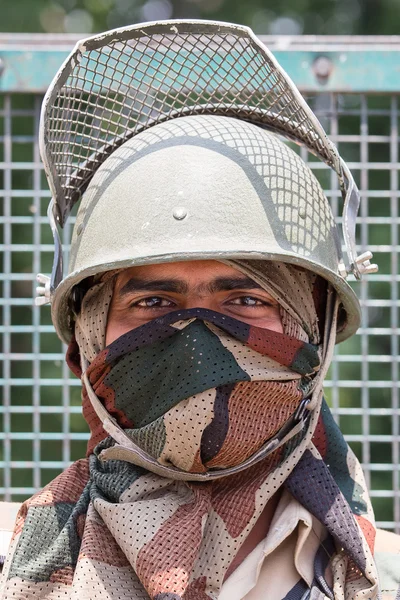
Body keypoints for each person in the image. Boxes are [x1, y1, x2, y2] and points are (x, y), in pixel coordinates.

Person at [1, 19, 399, 600]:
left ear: (318, 328)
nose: (198, 340)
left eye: (245, 300)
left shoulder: (381, 579)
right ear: (86, 342)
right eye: (153, 302)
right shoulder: (13, 564)